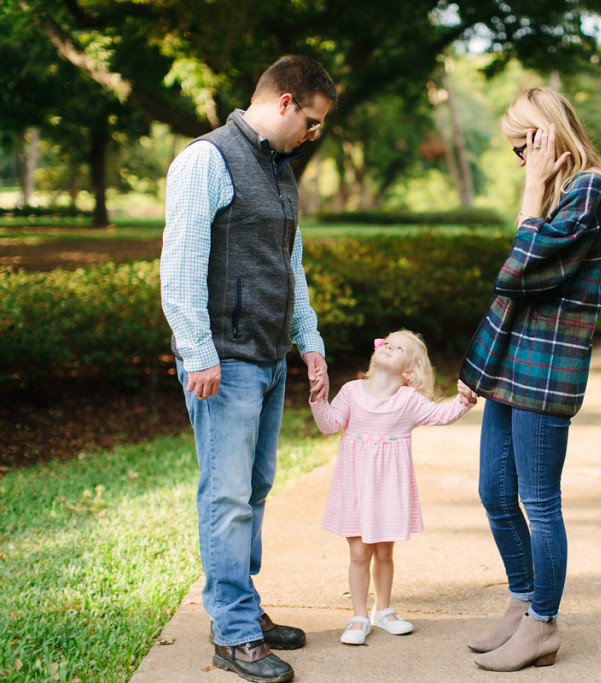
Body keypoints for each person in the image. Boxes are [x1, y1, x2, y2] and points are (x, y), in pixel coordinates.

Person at [160, 55, 337, 683]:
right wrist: (198, 351)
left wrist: (307, 340)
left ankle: (244, 606)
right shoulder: (206, 160)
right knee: (227, 496)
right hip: (223, 363)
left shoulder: (281, 169)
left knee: (255, 492)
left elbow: (291, 266)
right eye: (312, 121)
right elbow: (180, 263)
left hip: (266, 357)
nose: (314, 134)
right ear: (285, 101)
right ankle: (232, 634)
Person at [459, 87, 601, 672]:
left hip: (547, 369)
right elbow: (514, 288)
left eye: (521, 147)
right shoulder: (557, 196)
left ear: (546, 136)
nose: (521, 161)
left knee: (538, 501)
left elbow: (518, 271)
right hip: (512, 366)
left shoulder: (589, 190)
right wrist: (479, 370)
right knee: (494, 492)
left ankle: (543, 625)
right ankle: (521, 602)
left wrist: (531, 192)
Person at [309, 330, 478, 646]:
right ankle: (359, 615)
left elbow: (442, 415)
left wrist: (464, 400)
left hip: (388, 488)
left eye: (397, 347)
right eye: (386, 342)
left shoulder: (408, 401)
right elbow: (329, 424)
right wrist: (319, 398)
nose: (387, 346)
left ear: (409, 372)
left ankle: (383, 610)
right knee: (359, 553)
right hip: (356, 485)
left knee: (384, 551)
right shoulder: (351, 392)